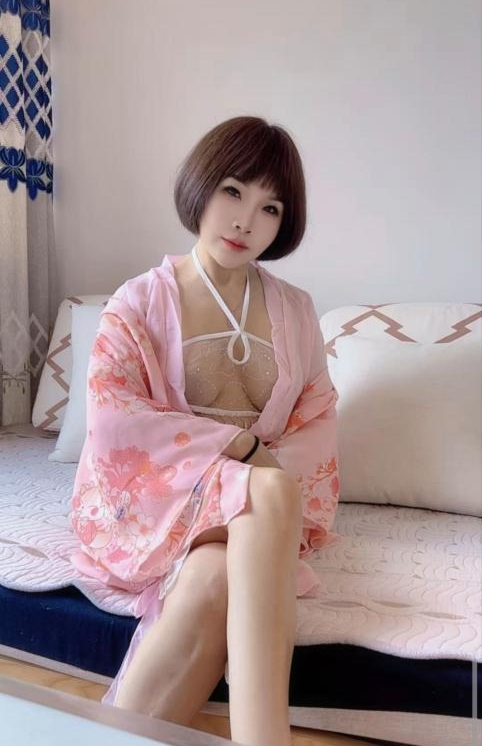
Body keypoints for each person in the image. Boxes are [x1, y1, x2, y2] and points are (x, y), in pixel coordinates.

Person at [70, 116, 340, 746]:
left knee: (216, 574)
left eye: (270, 207)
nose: (246, 221)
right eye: (232, 191)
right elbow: (112, 416)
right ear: (202, 186)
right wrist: (240, 447)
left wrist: (256, 475)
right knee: (266, 490)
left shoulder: (297, 311)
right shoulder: (137, 301)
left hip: (251, 516)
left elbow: (317, 418)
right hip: (156, 499)